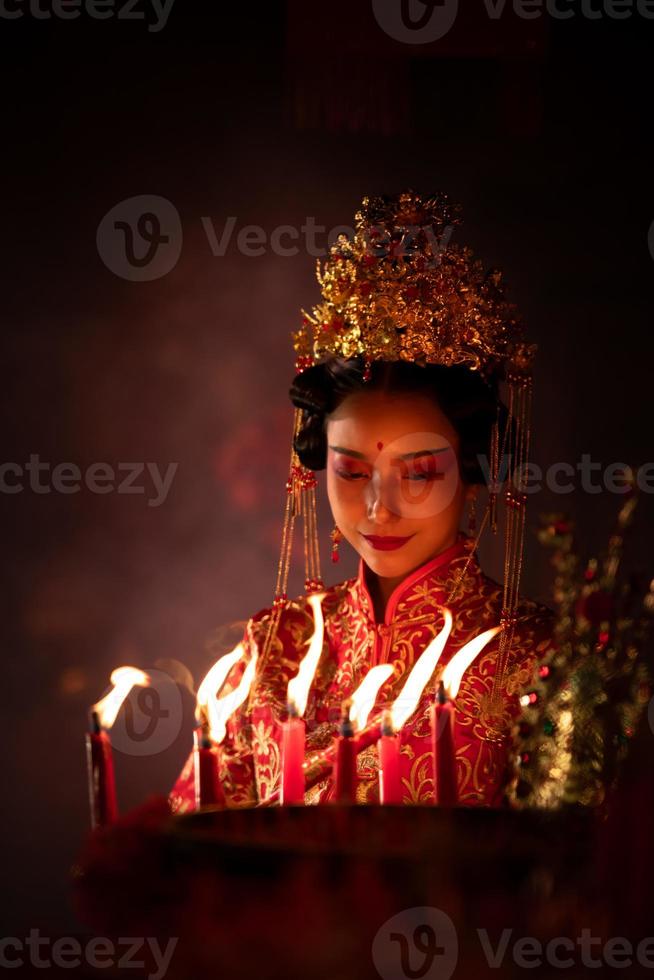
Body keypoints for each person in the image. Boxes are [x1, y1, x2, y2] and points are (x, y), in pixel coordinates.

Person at [169, 191, 555, 811]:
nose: (378, 509)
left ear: (473, 470)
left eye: (419, 474)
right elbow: (189, 859)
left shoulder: (541, 662)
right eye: (351, 472)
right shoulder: (273, 651)